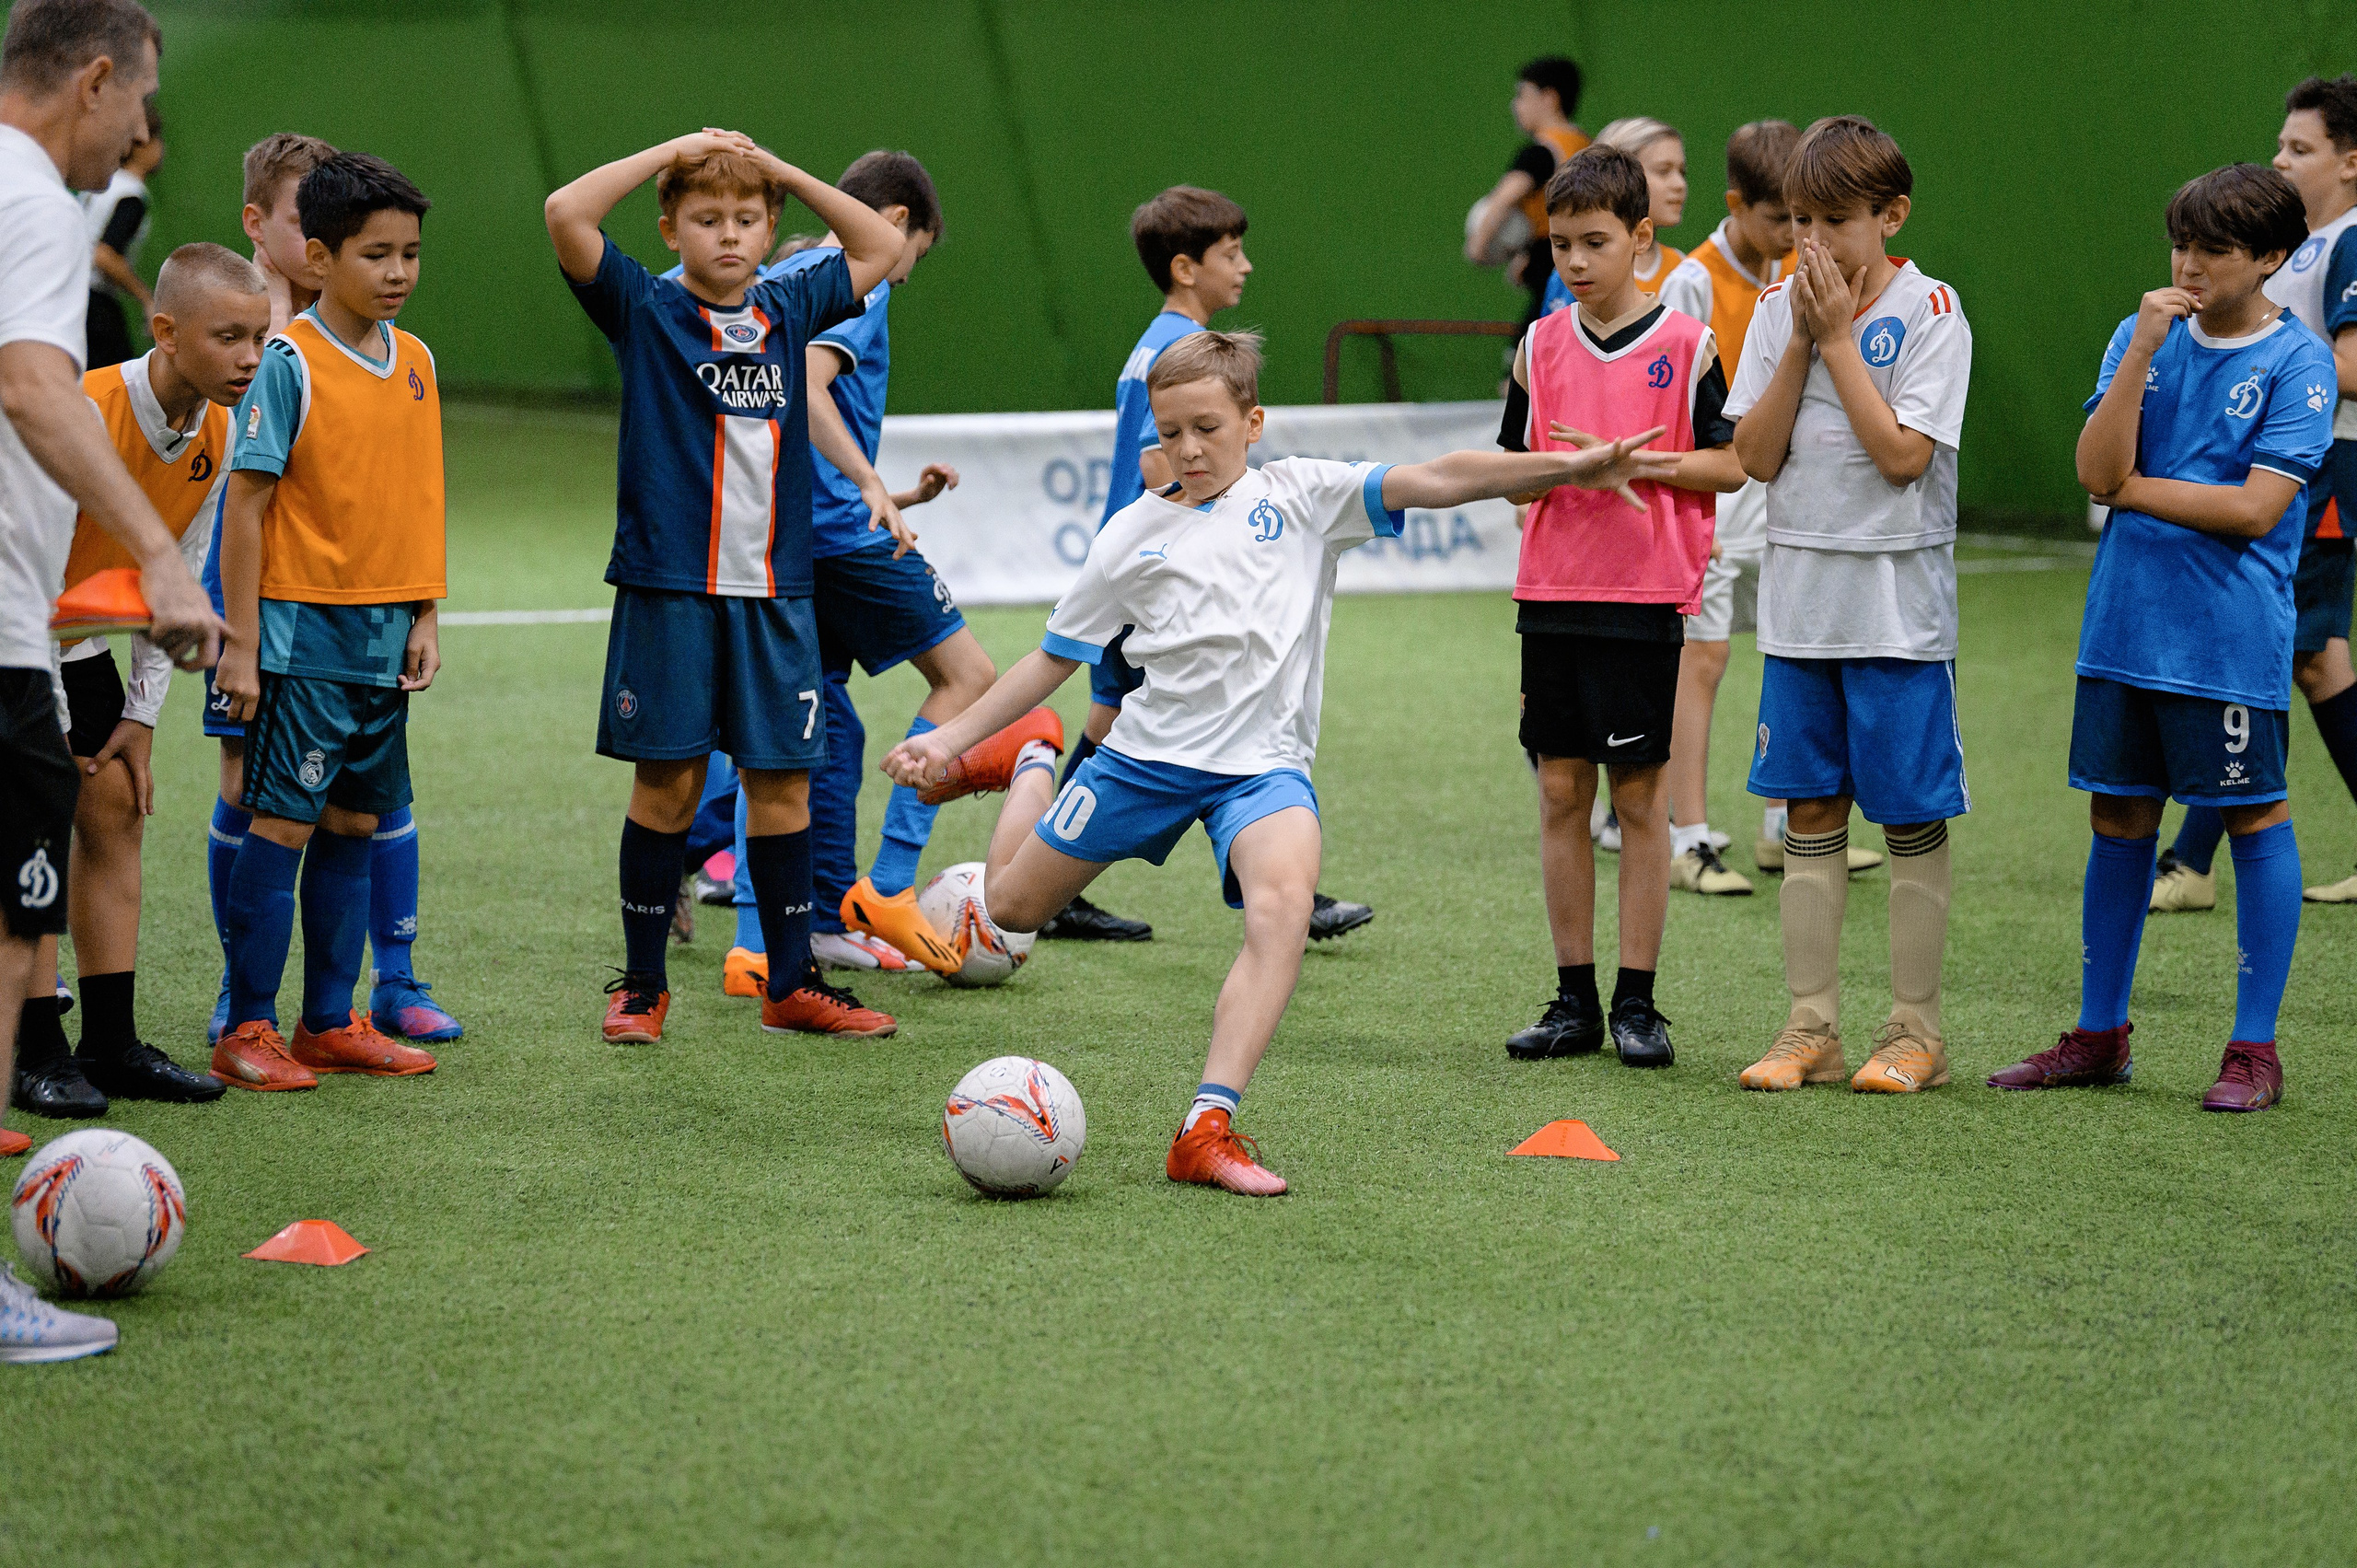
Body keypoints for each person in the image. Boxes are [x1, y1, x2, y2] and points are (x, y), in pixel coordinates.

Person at [891, 329, 1673, 1191]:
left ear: (1253, 421)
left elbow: (1441, 476)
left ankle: (1206, 1127)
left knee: (1283, 905)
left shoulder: (1303, 496)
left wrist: (1567, 468)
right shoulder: (1128, 536)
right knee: (1007, 907)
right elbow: (1053, 658)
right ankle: (1037, 754)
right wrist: (949, 739)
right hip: (1142, 758)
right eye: (1169, 431)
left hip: (1263, 768)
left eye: (1208, 427)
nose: (1187, 449)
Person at [543, 129, 908, 1044]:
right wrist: (671, 148)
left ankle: (792, 983)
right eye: (706, 219)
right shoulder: (645, 309)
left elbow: (880, 246)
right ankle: (640, 986)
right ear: (669, 228)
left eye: (748, 219)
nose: (730, 236)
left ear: (771, 222)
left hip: (777, 595)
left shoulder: (791, 303)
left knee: (782, 785)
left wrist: (781, 167)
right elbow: (565, 213)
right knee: (665, 785)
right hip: (669, 590)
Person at [1991, 165, 2331, 1113]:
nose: (2188, 263)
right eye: (2179, 243)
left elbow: (2256, 509)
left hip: (2226, 641)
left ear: (2270, 257)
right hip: (2122, 630)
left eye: (2213, 248)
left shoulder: (2295, 360)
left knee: (2256, 814)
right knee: (2118, 817)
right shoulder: (2139, 335)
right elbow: (2094, 465)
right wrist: (2142, 346)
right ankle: (2100, 1034)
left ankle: (2252, 1048)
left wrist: (2132, 493)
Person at [0, 0, 223, 1361]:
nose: (134, 139)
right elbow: (34, 387)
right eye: (131, 111)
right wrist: (158, 554)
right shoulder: (32, 199)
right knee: (8, 934)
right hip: (1, 633)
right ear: (92, 81)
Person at [1055, 185, 1376, 945]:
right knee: (1185, 724)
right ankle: (1057, 869)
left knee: (1144, 721)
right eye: (1231, 254)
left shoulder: (1166, 342)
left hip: (1150, 573)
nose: (1246, 267)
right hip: (1157, 579)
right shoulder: (1175, 353)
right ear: (1185, 266)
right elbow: (1152, 466)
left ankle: (1264, 877)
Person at [1724, 116, 1974, 1096]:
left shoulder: (1932, 311)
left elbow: (1904, 456)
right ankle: (1809, 1026)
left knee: (1908, 816)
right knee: (1809, 806)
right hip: (1799, 607)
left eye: (1835, 221)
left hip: (1897, 611)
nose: (1813, 243)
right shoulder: (1781, 305)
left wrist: (1837, 342)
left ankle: (1915, 1030)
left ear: (1892, 215)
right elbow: (1751, 456)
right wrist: (1800, 341)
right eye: (1798, 222)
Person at [1495, 146, 1746, 1069]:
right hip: (1550, 595)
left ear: (1642, 239)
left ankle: (1639, 1002)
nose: (1575, 261)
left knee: (1638, 796)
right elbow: (1514, 474)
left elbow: (1733, 462)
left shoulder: (1687, 346)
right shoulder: (1539, 345)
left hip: (1644, 598)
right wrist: (1564, 467)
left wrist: (1638, 464)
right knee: (1560, 789)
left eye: (1594, 241)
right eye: (1561, 245)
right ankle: (1573, 1000)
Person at [209, 152, 447, 1090]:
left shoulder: (417, 359)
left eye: (411, 255)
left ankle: (327, 1020)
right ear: (317, 253)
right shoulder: (288, 360)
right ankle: (249, 1026)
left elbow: (420, 496)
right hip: (303, 637)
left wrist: (425, 610)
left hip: (385, 638)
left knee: (355, 820)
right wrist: (240, 642)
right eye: (376, 254)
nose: (396, 273)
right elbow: (246, 505)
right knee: (285, 823)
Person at [17, 242, 269, 1121]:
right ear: (164, 331)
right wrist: (44, 707)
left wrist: (141, 714)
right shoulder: (82, 411)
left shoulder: (221, 428)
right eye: (229, 337)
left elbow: (183, 568)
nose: (250, 358)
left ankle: (110, 1042)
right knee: (35, 825)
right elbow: (23, 565)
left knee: (117, 801)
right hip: (17, 634)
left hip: (76, 643)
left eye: (260, 338)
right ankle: (35, 1047)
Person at [773, 153, 1004, 981]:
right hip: (839, 533)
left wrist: (895, 489)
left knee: (817, 725)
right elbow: (806, 384)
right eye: (919, 255)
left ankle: (802, 925)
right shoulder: (853, 278)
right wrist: (871, 486)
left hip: (787, 533)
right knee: (970, 675)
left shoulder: (783, 274)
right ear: (897, 221)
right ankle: (891, 882)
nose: (907, 277)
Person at [2152, 76, 2357, 910]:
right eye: (2280, 144)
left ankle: (2193, 858)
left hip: (2327, 470)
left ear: (2351, 163)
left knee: (2281, 648)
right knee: (2303, 654)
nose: (2281, 158)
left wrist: (2263, 348)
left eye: (2300, 149)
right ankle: (2194, 856)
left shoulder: (2348, 241)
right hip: (2300, 468)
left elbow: (2350, 368)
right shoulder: (2307, 243)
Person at [1655, 119, 1799, 897]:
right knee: (1703, 660)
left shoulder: (1799, 264)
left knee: (1787, 648)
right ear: (1735, 204)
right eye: (1780, 216)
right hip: (1714, 500)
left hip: (1784, 497)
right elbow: (1681, 405)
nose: (1792, 231)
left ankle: (1783, 828)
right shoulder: (1694, 279)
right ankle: (1688, 838)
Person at [1466, 55, 1589, 334]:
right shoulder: (1586, 145)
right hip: (1584, 273)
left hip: (1555, 280)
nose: (1515, 105)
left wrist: (1478, 245)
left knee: (1521, 371)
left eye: (1522, 95)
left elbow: (1504, 198)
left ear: (1549, 98)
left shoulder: (1542, 152)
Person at [1539, 117, 1686, 316]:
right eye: (1663, 171)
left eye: (1682, 172)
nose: (1679, 184)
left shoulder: (1685, 268)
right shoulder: (1577, 274)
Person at [79, 97, 157, 368]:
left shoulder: (100, 185)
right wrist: (147, 299)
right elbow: (104, 254)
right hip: (94, 304)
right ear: (144, 144)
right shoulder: (131, 195)